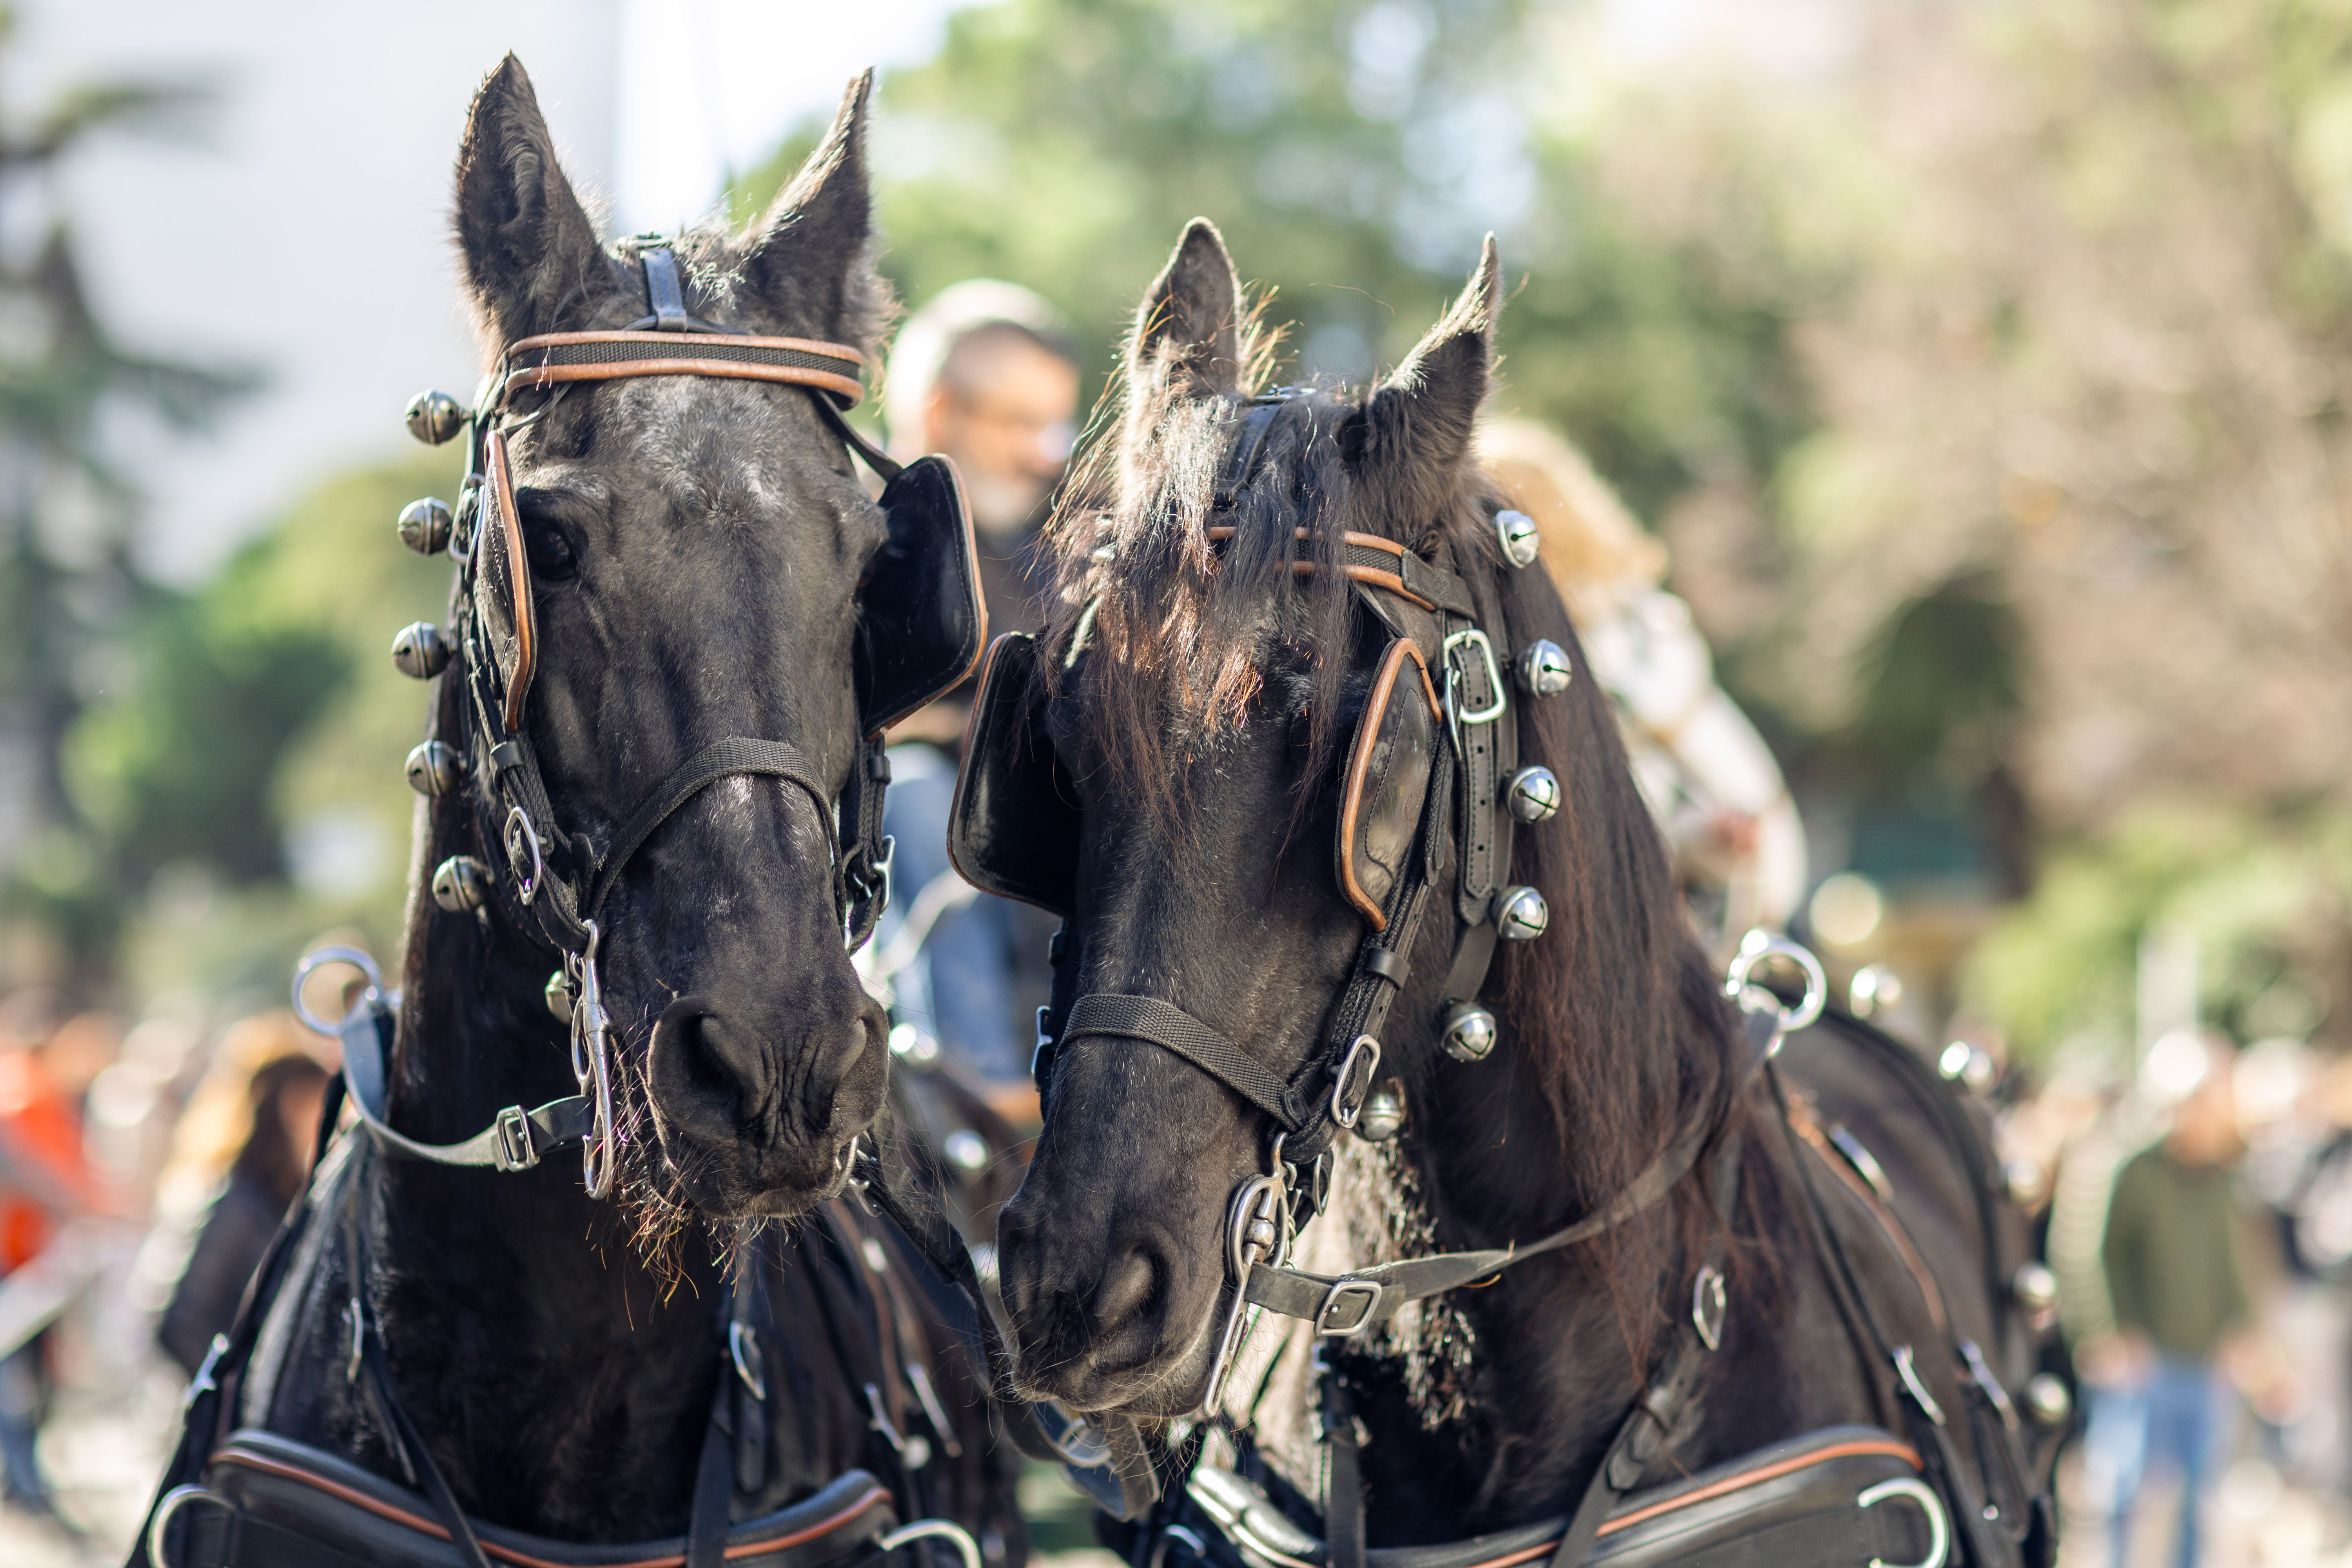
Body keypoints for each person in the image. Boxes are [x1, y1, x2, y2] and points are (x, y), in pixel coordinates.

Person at [1478, 419, 1807, 953]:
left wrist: (1708, 835)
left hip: (1716, 875)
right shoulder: (1609, 620)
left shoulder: (1628, 623)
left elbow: (1669, 770)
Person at [874, 283, 1081, 1106]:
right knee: (922, 800)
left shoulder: (1057, 554)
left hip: (1042, 829)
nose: (1046, 454)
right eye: (1020, 423)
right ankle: (992, 1099)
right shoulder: (856, 535)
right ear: (938, 411)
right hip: (904, 835)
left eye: (1055, 426)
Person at [2082, 1030, 2256, 1568]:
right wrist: (2112, 1330)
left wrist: (2241, 1329)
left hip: (2203, 1359)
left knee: (2198, 1492)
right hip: (2146, 1358)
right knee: (2125, 1489)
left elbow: (2226, 1263)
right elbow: (2097, 1255)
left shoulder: (2218, 1175)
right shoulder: (2134, 1167)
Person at [140, 1014, 328, 1376]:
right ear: (289, 1108)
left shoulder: (290, 1196)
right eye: (318, 1107)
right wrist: (240, 1392)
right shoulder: (232, 1203)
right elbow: (181, 1326)